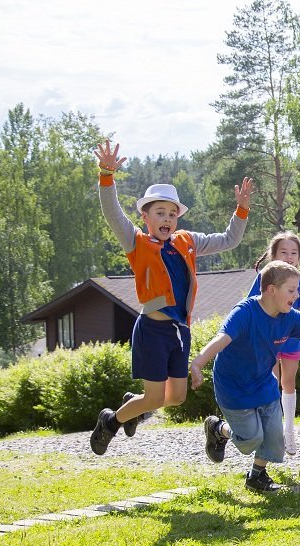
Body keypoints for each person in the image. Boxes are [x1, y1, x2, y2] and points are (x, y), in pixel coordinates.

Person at [90, 140, 252, 456]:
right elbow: (112, 213)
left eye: (172, 214)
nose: (167, 219)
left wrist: (241, 210)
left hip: (180, 331)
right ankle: (110, 422)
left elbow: (230, 240)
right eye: (160, 213)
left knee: (176, 398)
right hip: (152, 329)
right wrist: (107, 175)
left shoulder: (187, 241)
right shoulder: (136, 242)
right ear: (146, 218)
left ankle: (133, 406)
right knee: (152, 399)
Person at [191, 261, 300, 493]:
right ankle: (218, 429)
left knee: (275, 435)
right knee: (250, 439)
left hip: (263, 382)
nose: (297, 295)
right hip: (233, 385)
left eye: (297, 290)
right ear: (271, 290)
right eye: (292, 290)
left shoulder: (290, 317)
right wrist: (197, 364)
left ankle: (256, 476)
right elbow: (222, 339)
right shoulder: (245, 312)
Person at [248, 232, 300, 456]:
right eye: (283, 252)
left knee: (288, 383)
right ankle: (271, 431)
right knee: (270, 383)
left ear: (299, 257)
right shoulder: (263, 278)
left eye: (293, 253)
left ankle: (289, 431)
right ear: (272, 255)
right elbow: (252, 306)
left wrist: (299, 340)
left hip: (291, 342)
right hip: (266, 341)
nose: (289, 257)